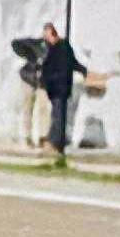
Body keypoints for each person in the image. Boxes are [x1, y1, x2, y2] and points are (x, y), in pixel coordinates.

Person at [40, 22, 85, 159]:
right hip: (56, 88)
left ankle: (55, 143)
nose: (44, 38)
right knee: (57, 115)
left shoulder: (61, 47)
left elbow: (69, 64)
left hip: (59, 88)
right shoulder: (54, 48)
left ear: (51, 33)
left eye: (46, 35)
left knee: (58, 117)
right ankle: (55, 142)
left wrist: (83, 70)